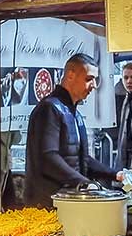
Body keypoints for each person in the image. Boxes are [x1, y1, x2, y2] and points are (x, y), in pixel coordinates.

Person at [22, 54, 116, 210]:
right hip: (47, 203)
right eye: (89, 79)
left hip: (68, 199)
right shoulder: (49, 108)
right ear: (71, 75)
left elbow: (82, 159)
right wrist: (83, 182)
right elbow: (48, 158)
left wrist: (116, 174)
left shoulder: (74, 113)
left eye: (95, 80)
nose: (94, 85)